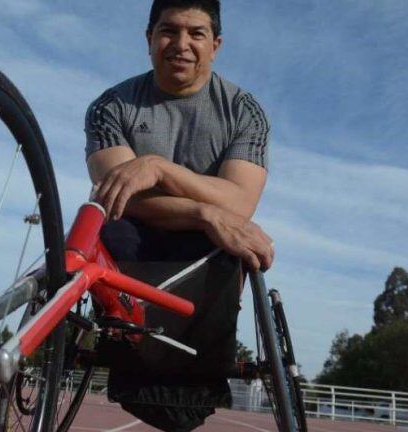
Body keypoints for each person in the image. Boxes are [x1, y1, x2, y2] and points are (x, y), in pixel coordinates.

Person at [85, 0, 274, 429]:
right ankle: (129, 350)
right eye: (169, 31)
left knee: (233, 243)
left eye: (196, 33)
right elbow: (119, 197)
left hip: (207, 249)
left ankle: (197, 371)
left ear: (216, 45)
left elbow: (240, 203)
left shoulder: (244, 112)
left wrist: (157, 167)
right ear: (149, 39)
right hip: (135, 237)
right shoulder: (110, 106)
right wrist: (206, 211)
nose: (181, 44)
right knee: (111, 228)